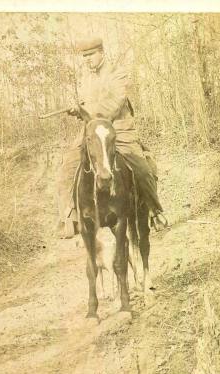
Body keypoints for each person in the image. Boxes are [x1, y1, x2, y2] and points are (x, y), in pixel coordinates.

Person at [56, 36, 169, 239]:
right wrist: (78, 110)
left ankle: (154, 210)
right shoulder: (86, 78)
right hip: (92, 131)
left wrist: (86, 110)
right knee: (67, 166)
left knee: (142, 167)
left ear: (102, 53)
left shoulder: (118, 74)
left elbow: (112, 104)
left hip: (118, 129)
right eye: (84, 57)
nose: (87, 60)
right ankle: (70, 217)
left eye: (90, 55)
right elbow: (87, 106)